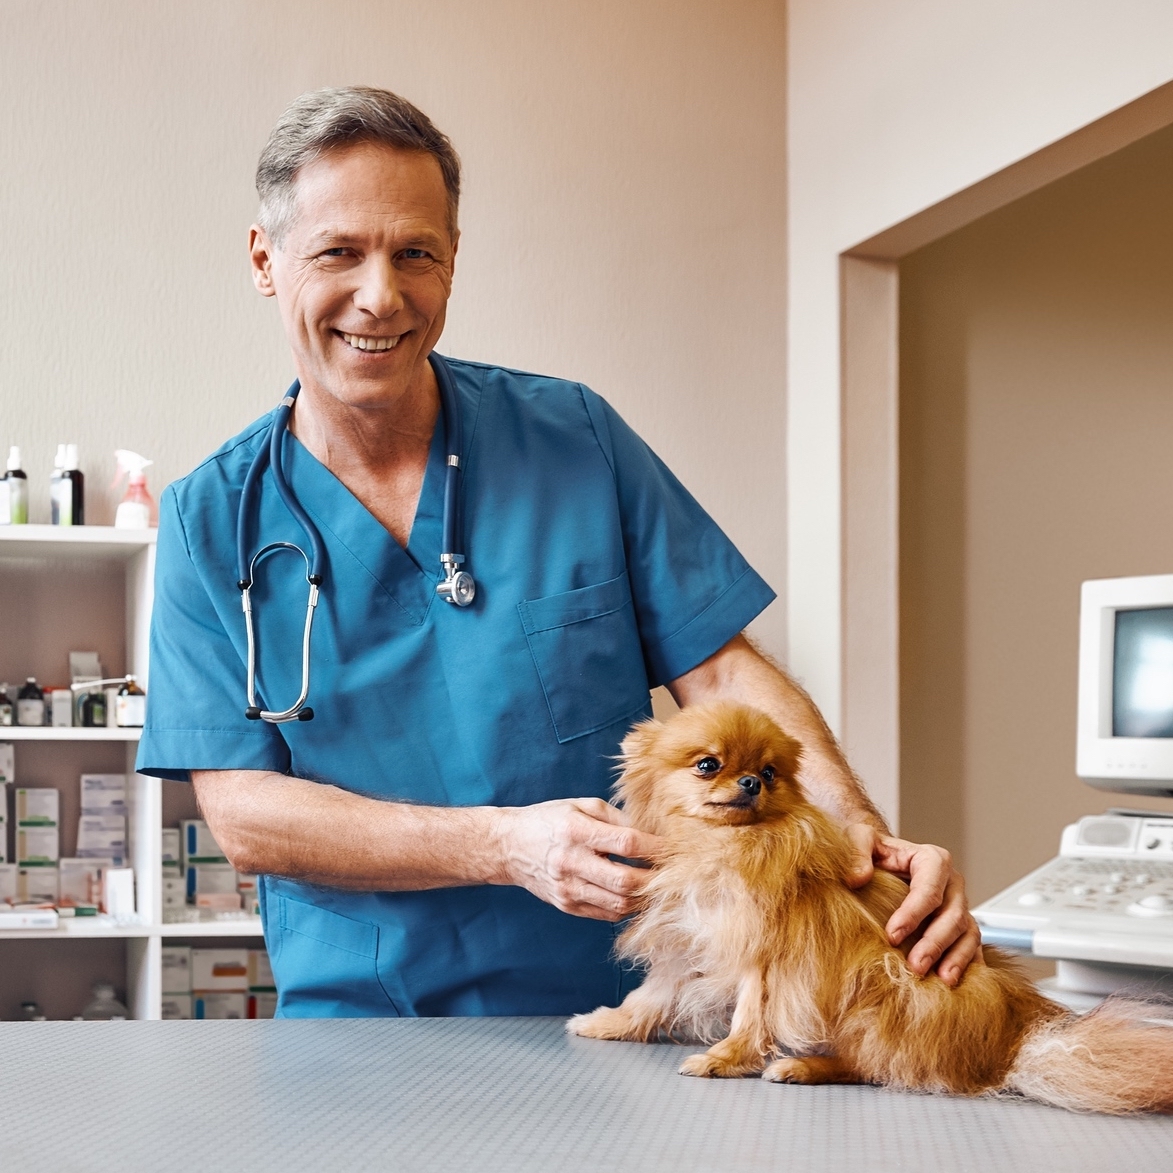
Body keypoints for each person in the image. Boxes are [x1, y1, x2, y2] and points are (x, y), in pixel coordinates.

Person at [137, 86, 981, 1017]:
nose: (380, 294)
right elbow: (246, 813)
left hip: (633, 1005)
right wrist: (502, 845)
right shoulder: (208, 518)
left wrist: (859, 833)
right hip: (365, 1022)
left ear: (452, 261)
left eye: (414, 252)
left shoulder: (574, 437)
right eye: (338, 251)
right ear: (266, 260)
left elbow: (725, 678)